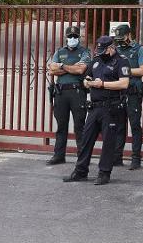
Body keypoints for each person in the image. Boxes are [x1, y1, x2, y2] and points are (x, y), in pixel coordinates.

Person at [63, 35, 129, 185]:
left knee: (108, 143)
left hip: (111, 108)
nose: (101, 53)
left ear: (112, 48)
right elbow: (86, 78)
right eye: (99, 50)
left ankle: (104, 173)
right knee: (86, 140)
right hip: (94, 107)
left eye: (104, 50)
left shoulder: (121, 61)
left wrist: (102, 84)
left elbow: (124, 83)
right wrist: (88, 82)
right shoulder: (97, 60)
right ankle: (80, 171)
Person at [45, 25, 91, 165]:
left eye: (75, 36)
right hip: (61, 93)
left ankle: (81, 157)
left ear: (79, 38)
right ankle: (59, 155)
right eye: (70, 36)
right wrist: (70, 67)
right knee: (61, 126)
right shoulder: (60, 51)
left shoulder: (85, 52)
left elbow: (81, 70)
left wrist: (62, 66)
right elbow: (52, 70)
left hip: (77, 92)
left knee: (79, 126)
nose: (72, 39)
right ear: (66, 37)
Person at [114, 23, 143, 169]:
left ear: (129, 35)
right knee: (119, 126)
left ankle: (136, 159)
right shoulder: (116, 49)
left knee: (135, 125)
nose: (120, 41)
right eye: (118, 38)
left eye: (122, 37)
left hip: (133, 93)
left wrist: (124, 71)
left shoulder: (139, 49)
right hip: (118, 92)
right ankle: (117, 157)